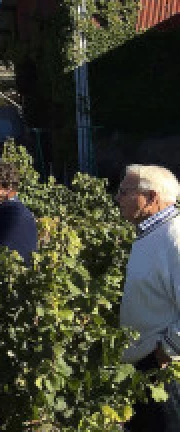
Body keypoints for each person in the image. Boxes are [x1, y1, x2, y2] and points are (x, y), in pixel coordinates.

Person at [116, 164, 180, 432]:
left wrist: (164, 350)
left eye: (123, 191)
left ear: (152, 197)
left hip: (164, 372)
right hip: (146, 365)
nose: (117, 198)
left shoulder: (174, 238)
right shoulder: (151, 234)